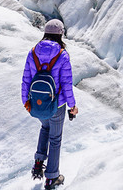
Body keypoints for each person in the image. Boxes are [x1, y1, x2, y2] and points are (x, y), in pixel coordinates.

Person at [22, 19, 78, 189]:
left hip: (37, 103)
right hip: (56, 105)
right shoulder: (62, 55)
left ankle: (38, 163)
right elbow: (66, 84)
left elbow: (26, 79)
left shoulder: (33, 52)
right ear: (60, 34)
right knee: (55, 138)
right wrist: (72, 106)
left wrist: (26, 101)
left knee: (45, 128)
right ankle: (52, 177)